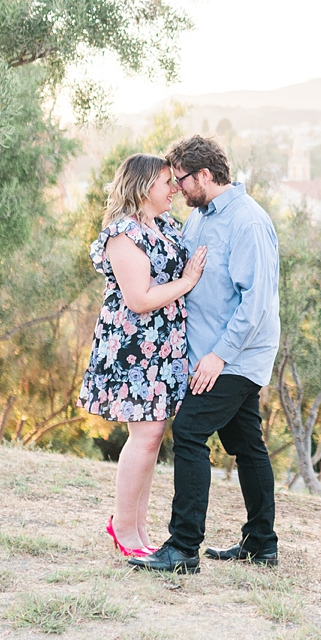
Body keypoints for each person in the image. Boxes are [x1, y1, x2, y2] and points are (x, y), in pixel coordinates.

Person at [129, 135, 280, 574]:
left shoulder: (247, 223)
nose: (176, 189)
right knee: (246, 444)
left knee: (191, 432)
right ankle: (261, 544)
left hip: (234, 356)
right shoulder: (200, 218)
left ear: (205, 176)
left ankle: (183, 549)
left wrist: (217, 357)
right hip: (208, 354)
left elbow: (256, 305)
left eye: (180, 180)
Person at [78, 153, 207, 557]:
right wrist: (187, 282)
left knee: (152, 438)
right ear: (142, 186)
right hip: (135, 348)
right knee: (146, 436)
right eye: (166, 182)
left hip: (164, 348)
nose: (174, 189)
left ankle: (135, 528)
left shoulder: (165, 225)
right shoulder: (123, 234)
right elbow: (138, 299)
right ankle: (123, 527)